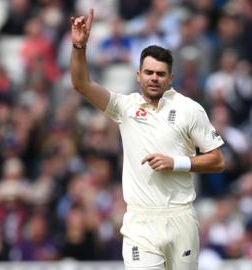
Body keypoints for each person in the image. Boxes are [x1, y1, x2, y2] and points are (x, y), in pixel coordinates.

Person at [70, 9, 225, 270]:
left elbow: (217, 160)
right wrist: (79, 46)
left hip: (180, 217)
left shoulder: (190, 109)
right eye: (149, 72)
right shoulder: (125, 107)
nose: (154, 78)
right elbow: (81, 84)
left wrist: (176, 162)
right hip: (140, 220)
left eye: (160, 74)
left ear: (170, 78)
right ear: (138, 75)